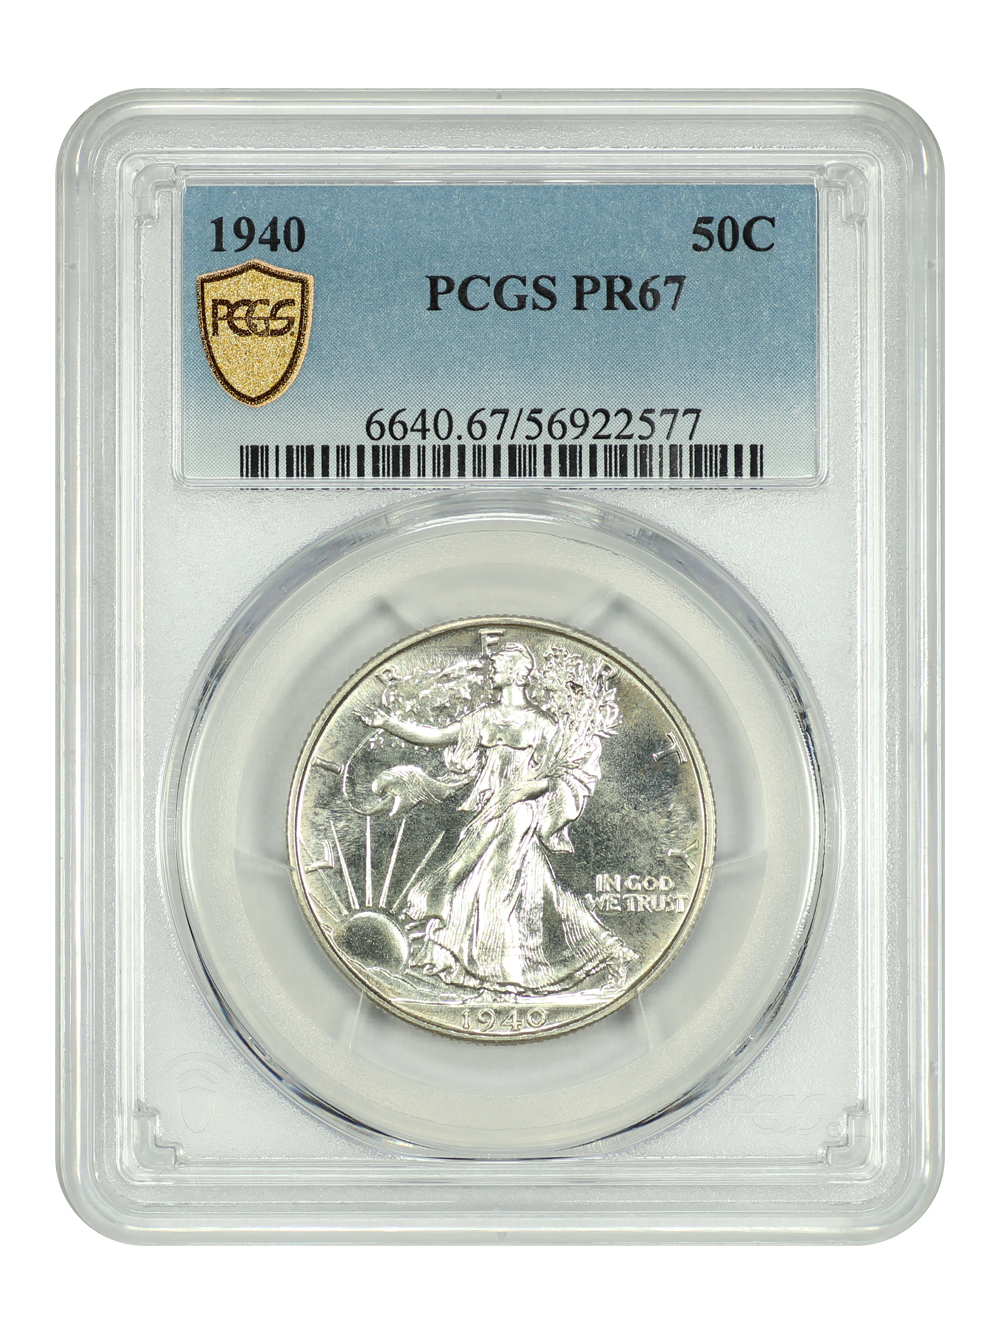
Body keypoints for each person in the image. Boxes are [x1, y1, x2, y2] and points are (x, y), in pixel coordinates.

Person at [361, 642, 634, 995]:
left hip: (518, 812)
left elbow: (561, 774)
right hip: (487, 811)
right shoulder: (483, 718)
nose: (492, 671)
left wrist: (523, 790)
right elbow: (437, 737)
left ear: (518, 673)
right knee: (495, 890)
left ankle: (503, 977)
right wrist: (389, 723)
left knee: (494, 891)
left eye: (499, 666)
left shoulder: (541, 724)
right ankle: (603, 954)